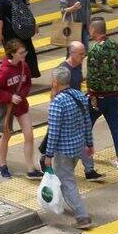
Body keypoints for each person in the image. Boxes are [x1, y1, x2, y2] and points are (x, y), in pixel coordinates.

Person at [38, 42, 105, 182]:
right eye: (81, 54)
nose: (83, 56)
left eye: (83, 53)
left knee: (81, 137)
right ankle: (47, 157)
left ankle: (89, 170)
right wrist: (55, 109)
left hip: (76, 105)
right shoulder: (62, 69)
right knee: (61, 136)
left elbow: (79, 85)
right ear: (72, 53)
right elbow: (53, 91)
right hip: (65, 108)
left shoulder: (78, 67)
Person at [44, 66, 94, 230]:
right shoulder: (80, 96)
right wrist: (89, 143)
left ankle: (82, 216)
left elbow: (53, 132)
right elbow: (87, 122)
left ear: (55, 82)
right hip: (78, 147)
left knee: (67, 182)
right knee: (64, 178)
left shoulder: (57, 103)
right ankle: (65, 204)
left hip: (63, 150)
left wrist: (48, 155)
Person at [0, 39, 42, 179]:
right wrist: (9, 97)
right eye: (21, 53)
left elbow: (28, 83)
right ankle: (2, 165)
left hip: (21, 105)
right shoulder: (4, 71)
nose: (24, 54)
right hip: (7, 107)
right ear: (12, 54)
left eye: (24, 52)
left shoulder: (24, 66)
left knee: (29, 135)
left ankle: (31, 169)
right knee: (6, 135)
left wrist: (20, 95)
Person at [86, 17, 118, 171]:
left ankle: (85, 156)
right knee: (116, 127)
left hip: (99, 96)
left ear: (94, 31)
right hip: (114, 94)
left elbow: (92, 76)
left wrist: (92, 95)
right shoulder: (116, 44)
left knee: (86, 126)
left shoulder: (94, 50)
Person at [0, 0, 40, 78]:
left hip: (24, 32)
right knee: (14, 57)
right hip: (10, 35)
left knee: (28, 55)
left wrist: (34, 24)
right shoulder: (1, 1)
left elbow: (27, 12)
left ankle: (26, 77)